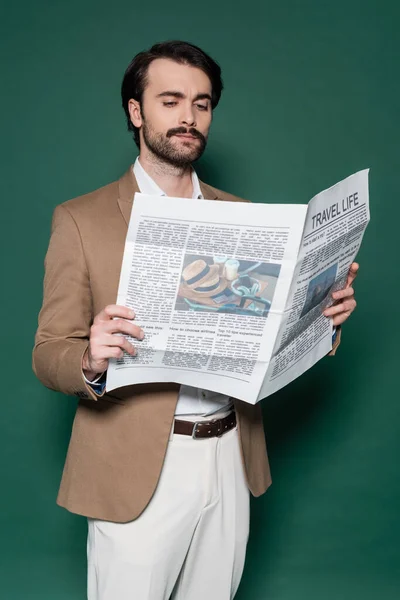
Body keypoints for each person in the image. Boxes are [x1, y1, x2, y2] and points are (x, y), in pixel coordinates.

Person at [33, 40, 358, 600]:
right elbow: (48, 350)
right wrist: (88, 357)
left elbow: (268, 340)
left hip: (231, 455)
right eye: (170, 100)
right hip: (132, 467)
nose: (188, 116)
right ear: (136, 112)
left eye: (202, 104)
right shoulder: (80, 220)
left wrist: (322, 317)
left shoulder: (246, 219)